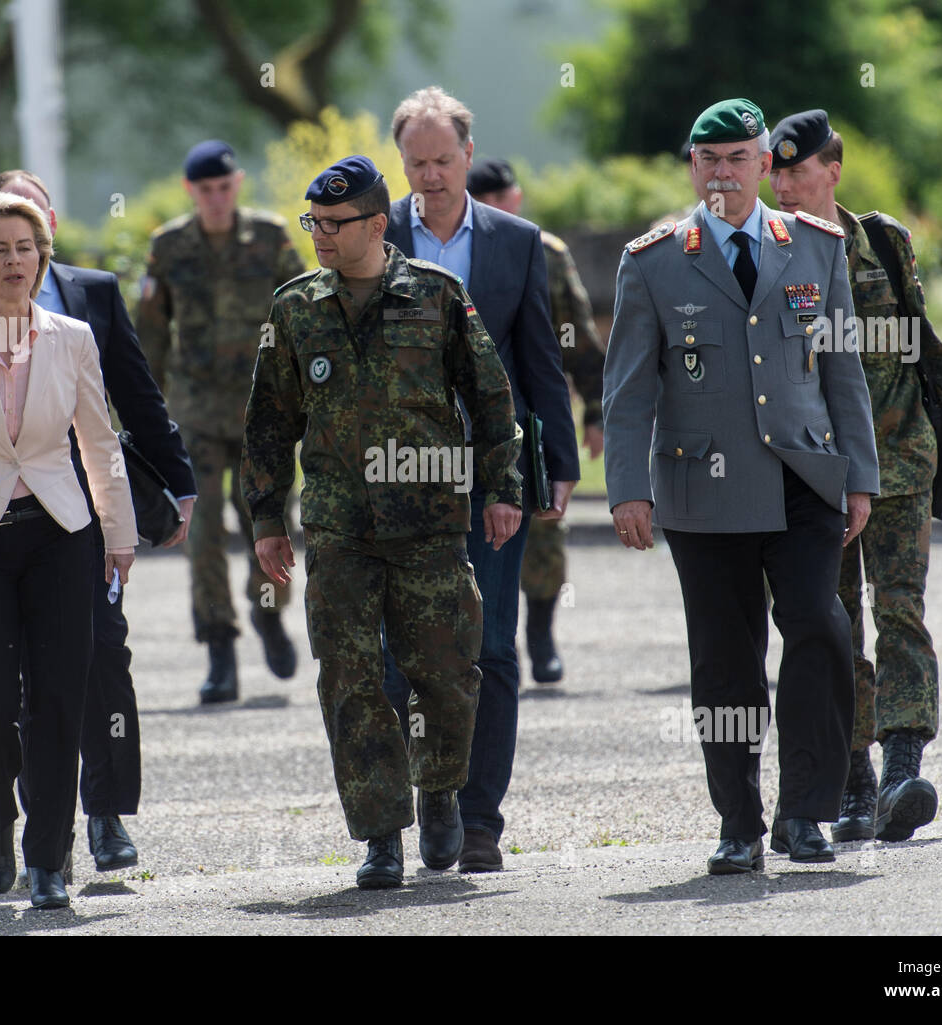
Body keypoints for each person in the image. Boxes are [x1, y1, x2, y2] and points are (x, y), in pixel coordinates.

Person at [604, 98, 880, 874]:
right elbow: (627, 390)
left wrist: (860, 475)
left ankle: (806, 813)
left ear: (766, 165)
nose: (722, 173)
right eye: (708, 159)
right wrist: (627, 486)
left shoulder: (818, 248)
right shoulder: (655, 259)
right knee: (725, 660)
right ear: (692, 168)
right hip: (704, 488)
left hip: (803, 477)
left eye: (738, 158)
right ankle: (738, 821)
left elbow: (843, 372)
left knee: (819, 628)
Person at [0, 170, 195, 877]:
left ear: (42, 255)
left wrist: (119, 534)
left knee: (61, 696)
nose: (14, 260)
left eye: (26, 247)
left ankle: (49, 862)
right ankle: (0, 820)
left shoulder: (73, 338)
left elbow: (100, 443)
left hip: (63, 532)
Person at [241, 156, 523, 888]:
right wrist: (267, 516)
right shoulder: (295, 307)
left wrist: (502, 487)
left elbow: (492, 399)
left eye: (334, 225)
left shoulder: (437, 296)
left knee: (448, 674)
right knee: (351, 679)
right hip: (340, 529)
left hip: (430, 522)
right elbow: (270, 420)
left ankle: (439, 794)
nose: (320, 236)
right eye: (314, 223)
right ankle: (379, 835)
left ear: (375, 224)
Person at [769, 109, 942, 842]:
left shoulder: (884, 243)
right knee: (834, 626)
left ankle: (901, 769)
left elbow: (926, 347)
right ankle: (855, 777)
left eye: (800, 172)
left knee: (900, 611)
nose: (787, 185)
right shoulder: (769, 252)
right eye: (779, 172)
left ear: (832, 171)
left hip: (898, 458)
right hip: (813, 474)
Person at [382, 87, 581, 873]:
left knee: (490, 648)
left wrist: (556, 466)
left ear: (469, 155)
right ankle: (411, 810)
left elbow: (541, 361)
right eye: (415, 163)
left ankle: (477, 819)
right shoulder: (372, 233)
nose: (429, 176)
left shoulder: (516, 242)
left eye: (442, 160)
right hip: (395, 481)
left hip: (491, 476)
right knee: (400, 654)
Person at [137, 140, 305, 704]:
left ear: (237, 185)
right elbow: (152, 334)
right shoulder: (169, 247)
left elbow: (306, 312)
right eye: (204, 190)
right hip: (197, 414)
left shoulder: (272, 237)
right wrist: (146, 415)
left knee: (271, 526)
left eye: (224, 188)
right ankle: (219, 648)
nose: (215, 199)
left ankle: (269, 615)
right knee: (203, 531)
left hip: (264, 413)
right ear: (191, 191)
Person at [467, 157, 607, 684]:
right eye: (488, 201)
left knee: (544, 529)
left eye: (505, 199)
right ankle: (484, 645)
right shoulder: (458, 251)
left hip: (534, 417)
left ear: (517, 199)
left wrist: (594, 412)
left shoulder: (544, 252)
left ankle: (542, 636)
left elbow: (579, 338)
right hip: (470, 423)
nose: (499, 209)